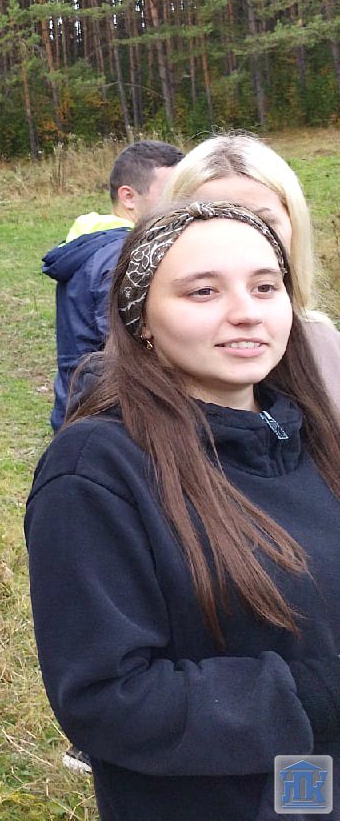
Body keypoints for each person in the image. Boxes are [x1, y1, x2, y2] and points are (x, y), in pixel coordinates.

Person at [25, 200, 340, 820]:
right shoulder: (97, 471)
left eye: (265, 286)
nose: (246, 311)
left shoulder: (312, 439)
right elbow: (106, 698)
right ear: (141, 317)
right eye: (203, 292)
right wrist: (313, 697)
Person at [161, 131, 340, 402]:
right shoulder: (134, 379)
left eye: (262, 222)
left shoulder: (324, 347)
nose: (243, 238)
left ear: (294, 225)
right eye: (214, 220)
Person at [42, 139, 183, 430]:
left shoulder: (94, 243)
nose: (182, 203)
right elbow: (131, 351)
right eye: (171, 193)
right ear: (128, 197)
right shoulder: (123, 256)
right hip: (114, 419)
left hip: (79, 407)